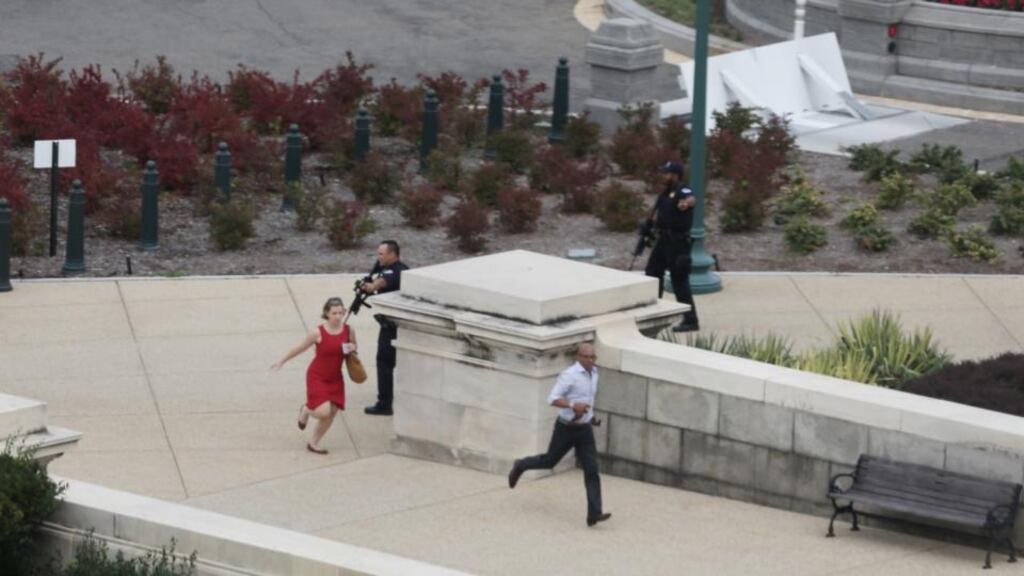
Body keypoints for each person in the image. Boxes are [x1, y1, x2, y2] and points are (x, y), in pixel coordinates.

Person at [507, 343, 611, 528]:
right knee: (549, 461)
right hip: (566, 428)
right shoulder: (569, 375)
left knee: (592, 469)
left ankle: (594, 513)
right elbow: (552, 398)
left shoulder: (594, 373)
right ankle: (520, 465)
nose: (590, 360)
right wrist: (572, 406)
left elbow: (588, 400)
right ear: (578, 357)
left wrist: (590, 417)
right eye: (587, 357)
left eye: (593, 357)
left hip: (584, 429)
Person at [271, 296, 358, 454]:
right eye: (334, 313)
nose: (338, 316)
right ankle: (306, 410)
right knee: (323, 412)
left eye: (341, 312)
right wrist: (281, 361)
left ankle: (313, 442)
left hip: (336, 377)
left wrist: (352, 347)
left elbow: (354, 346)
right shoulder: (317, 332)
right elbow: (300, 347)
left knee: (331, 413)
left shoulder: (348, 329)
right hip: (317, 375)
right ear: (327, 313)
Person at [645, 161, 699, 332]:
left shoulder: (683, 190)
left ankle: (690, 321)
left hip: (678, 243)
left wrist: (686, 203)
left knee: (679, 281)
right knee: (652, 274)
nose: (664, 176)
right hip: (663, 241)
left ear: (675, 175)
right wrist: (649, 226)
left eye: (667, 173)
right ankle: (655, 312)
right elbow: (658, 214)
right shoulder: (665, 194)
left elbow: (691, 199)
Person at [361, 240, 409, 416]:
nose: (378, 256)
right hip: (390, 323)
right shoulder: (383, 267)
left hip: (394, 326)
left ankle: (384, 404)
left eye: (381, 253)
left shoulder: (397, 271)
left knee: (385, 362)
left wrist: (370, 287)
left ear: (392, 254)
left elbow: (380, 282)